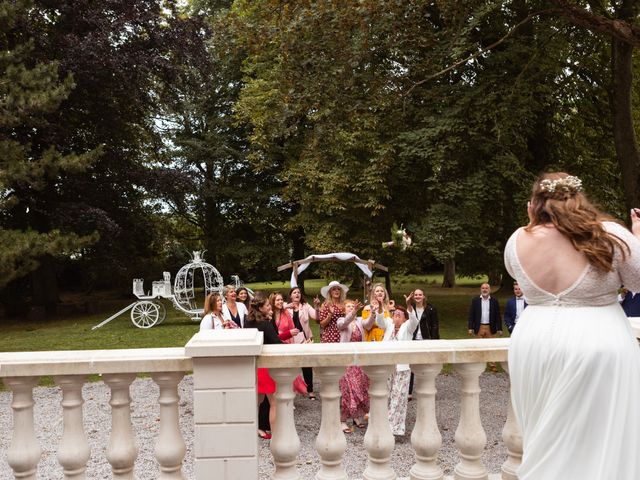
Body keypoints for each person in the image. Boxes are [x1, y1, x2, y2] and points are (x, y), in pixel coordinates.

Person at [504, 172, 640, 479]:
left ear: (533, 206)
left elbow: (518, 275)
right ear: (580, 200)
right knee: (597, 440)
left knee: (543, 435)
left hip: (533, 343)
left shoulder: (517, 240)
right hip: (596, 341)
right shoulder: (607, 234)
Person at [245, 292, 297, 440]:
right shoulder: (265, 324)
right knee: (273, 402)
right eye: (267, 305)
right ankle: (275, 434)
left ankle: (249, 429)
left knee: (257, 400)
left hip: (254, 365)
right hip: (266, 366)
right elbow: (276, 342)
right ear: (261, 307)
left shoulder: (247, 321)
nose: (270, 306)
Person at [373, 292, 419, 436]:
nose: (397, 315)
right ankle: (382, 424)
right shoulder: (388, 324)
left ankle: (394, 429)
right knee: (385, 396)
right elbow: (380, 320)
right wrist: (380, 305)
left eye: (400, 314)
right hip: (387, 367)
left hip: (402, 368)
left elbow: (414, 321)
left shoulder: (408, 328)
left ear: (405, 317)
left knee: (398, 398)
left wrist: (409, 305)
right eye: (395, 314)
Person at [337, 299, 371, 433]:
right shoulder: (341, 321)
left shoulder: (359, 321)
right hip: (346, 361)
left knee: (360, 389)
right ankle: (343, 420)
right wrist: (352, 313)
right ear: (344, 310)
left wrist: (372, 314)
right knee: (347, 391)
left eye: (353, 306)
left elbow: (368, 324)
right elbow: (344, 323)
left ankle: (356, 417)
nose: (351, 308)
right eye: (349, 307)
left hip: (358, 361)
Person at [286, 287, 320, 399]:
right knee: (291, 366)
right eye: (294, 292)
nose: (297, 294)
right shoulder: (286, 307)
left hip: (305, 339)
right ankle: (292, 391)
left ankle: (310, 390)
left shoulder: (305, 306)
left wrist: (316, 307)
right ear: (290, 296)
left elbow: (316, 317)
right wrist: (286, 306)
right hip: (291, 340)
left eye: (299, 292)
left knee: (307, 365)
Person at [408, 288, 439, 398]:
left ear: (424, 296)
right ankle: (409, 392)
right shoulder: (410, 309)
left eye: (420, 294)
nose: (417, 296)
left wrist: (434, 341)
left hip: (426, 340)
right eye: (415, 294)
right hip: (413, 340)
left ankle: (428, 389)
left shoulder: (431, 309)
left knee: (427, 365)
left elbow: (435, 326)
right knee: (410, 366)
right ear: (413, 296)